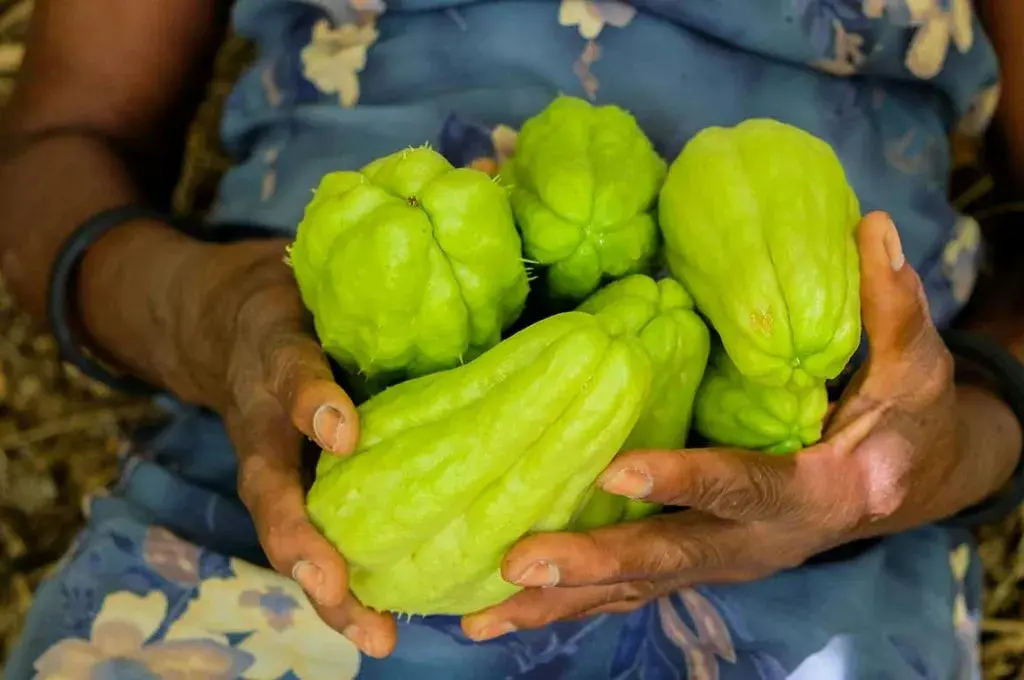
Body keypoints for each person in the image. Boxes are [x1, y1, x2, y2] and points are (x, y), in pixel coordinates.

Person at [2, 1, 1024, 678]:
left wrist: (925, 454)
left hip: (817, 553)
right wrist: (201, 312)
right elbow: (56, 144)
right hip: (280, 467)